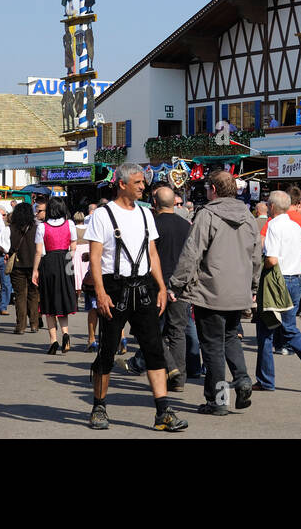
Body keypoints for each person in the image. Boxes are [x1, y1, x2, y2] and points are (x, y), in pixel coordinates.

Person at [85, 163, 187, 432]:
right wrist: (100, 292)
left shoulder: (145, 215)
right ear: (122, 184)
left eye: (144, 183)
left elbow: (152, 253)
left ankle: (163, 411)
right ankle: (99, 406)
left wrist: (162, 287)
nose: (143, 186)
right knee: (108, 350)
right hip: (114, 287)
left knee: (154, 350)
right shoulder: (103, 215)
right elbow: (95, 257)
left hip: (143, 288)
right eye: (138, 182)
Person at [170, 171, 258, 415]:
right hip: (237, 290)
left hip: (211, 290)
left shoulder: (207, 214)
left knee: (212, 347)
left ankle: (218, 400)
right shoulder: (249, 218)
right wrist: (252, 286)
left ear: (214, 191)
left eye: (208, 188)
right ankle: (241, 379)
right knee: (230, 337)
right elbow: (256, 256)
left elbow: (192, 253)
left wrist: (176, 283)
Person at [254, 190, 301, 393]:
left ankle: (266, 380)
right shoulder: (295, 225)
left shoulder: (273, 226)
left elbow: (272, 259)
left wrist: (261, 265)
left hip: (279, 279)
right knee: (287, 328)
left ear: (273, 206)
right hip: (297, 277)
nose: (267, 207)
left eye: (269, 204)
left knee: (266, 329)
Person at [126, 186, 193, 390]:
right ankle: (178, 378)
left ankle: (171, 368)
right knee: (177, 332)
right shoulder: (186, 226)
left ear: (154, 203)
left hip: (155, 285)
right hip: (181, 285)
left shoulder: (151, 225)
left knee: (151, 330)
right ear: (174, 203)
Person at [33, 196, 77, 354]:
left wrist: (35, 270)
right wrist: (68, 258)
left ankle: (53, 340)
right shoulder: (70, 224)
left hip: (49, 261)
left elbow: (39, 251)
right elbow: (73, 245)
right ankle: (65, 333)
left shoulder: (42, 227)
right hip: (66, 261)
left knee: (49, 301)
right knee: (64, 298)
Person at [6, 202, 40, 334]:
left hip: (17, 265)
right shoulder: (37, 228)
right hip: (34, 265)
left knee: (20, 295)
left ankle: (21, 326)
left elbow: (5, 246)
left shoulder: (11, 228)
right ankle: (34, 324)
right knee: (34, 294)